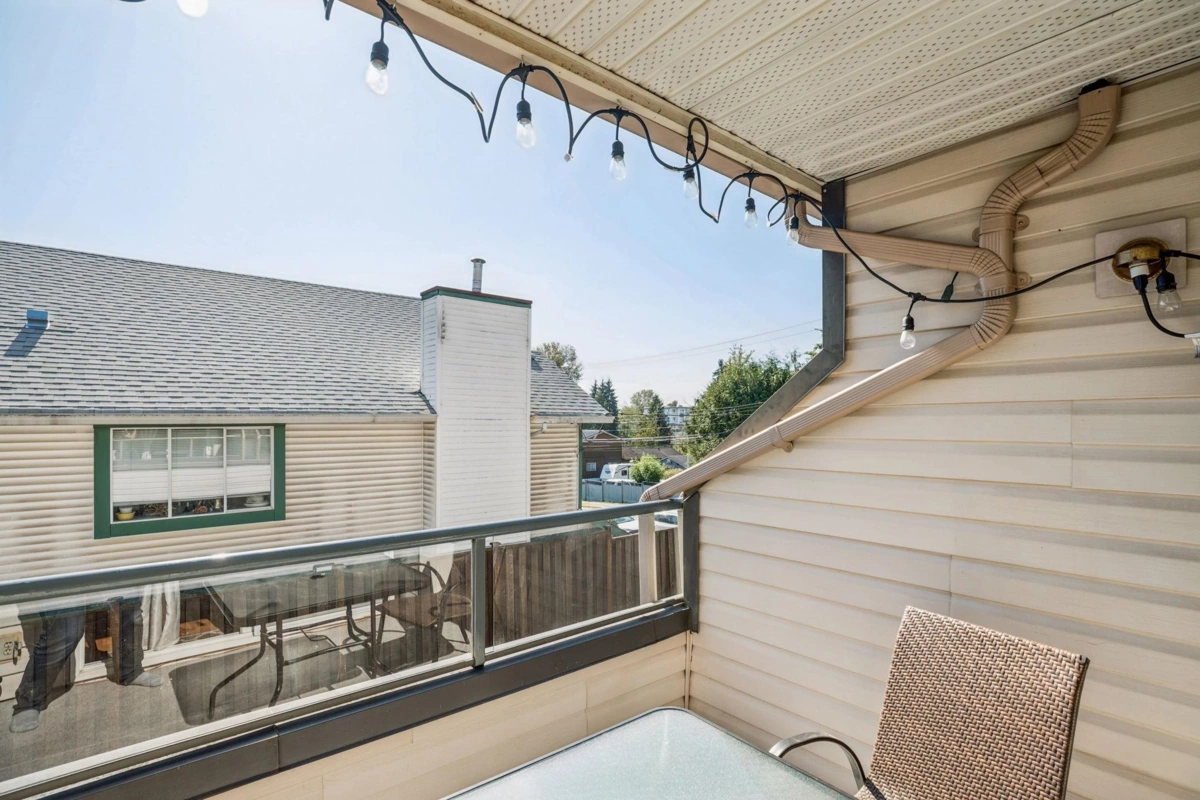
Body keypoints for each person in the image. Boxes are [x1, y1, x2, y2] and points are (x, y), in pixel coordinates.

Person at [10, 597, 162, 734]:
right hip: (64, 574)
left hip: (106, 569)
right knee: (67, 632)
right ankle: (28, 703)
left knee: (131, 615)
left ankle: (131, 671)